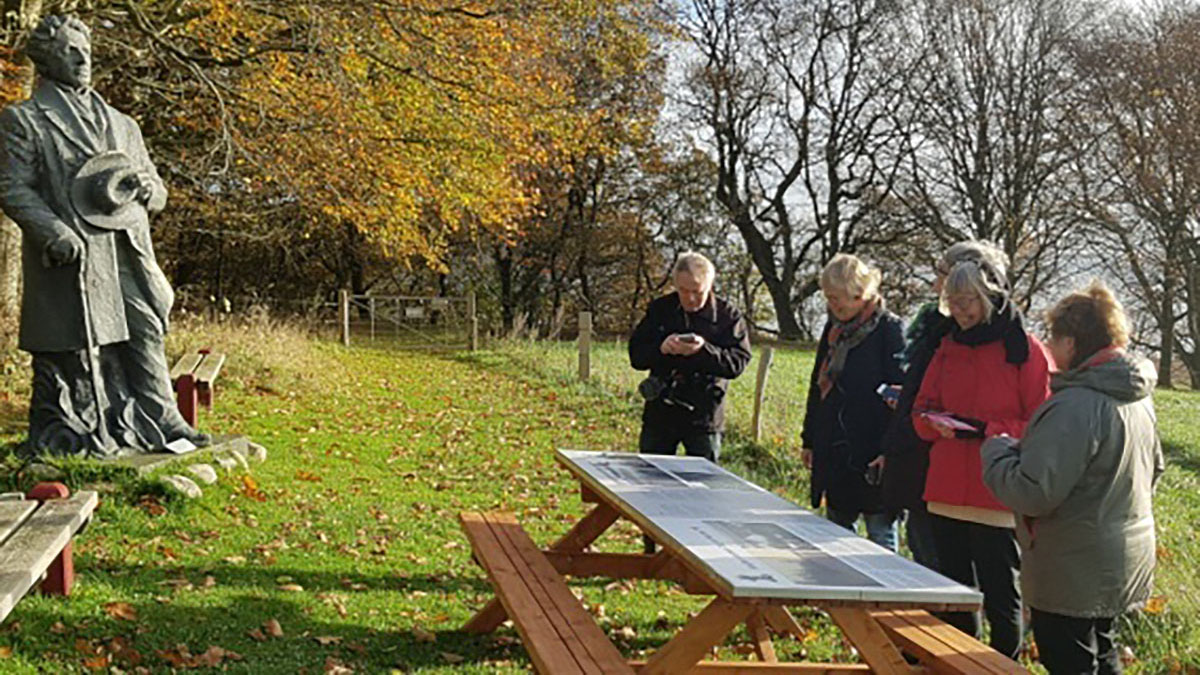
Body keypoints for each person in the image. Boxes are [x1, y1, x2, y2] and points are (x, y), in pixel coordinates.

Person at [0, 16, 209, 457]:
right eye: (70, 51)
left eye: (86, 51)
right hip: (75, 251)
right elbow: (13, 188)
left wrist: (151, 190)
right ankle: (80, 429)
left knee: (145, 326)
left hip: (127, 248)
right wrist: (52, 230)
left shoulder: (122, 123)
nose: (83, 59)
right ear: (46, 60)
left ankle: (164, 418)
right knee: (80, 344)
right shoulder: (25, 119)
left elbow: (158, 189)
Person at [982, 282, 1163, 674]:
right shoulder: (1137, 397)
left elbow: (1033, 492)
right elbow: (1155, 470)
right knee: (1104, 651)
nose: (1048, 347)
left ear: (1070, 342)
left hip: (1072, 564)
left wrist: (996, 452)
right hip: (1123, 553)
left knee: (1069, 660)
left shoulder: (1074, 406)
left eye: (1052, 338)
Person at [911, 256, 1052, 660]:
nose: (959, 311)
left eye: (967, 301)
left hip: (997, 493)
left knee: (1001, 596)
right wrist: (932, 423)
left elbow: (1041, 424)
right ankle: (959, 665)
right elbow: (920, 410)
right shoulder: (946, 345)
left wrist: (985, 428)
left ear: (988, 296)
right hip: (946, 489)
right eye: (952, 302)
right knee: (954, 596)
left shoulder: (1026, 349)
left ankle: (1004, 666)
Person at [880, 240, 1011, 571]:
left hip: (947, 471)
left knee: (945, 567)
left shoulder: (962, 336)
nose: (935, 283)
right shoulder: (936, 327)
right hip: (922, 458)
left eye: (941, 273)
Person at [629, 252, 751, 552]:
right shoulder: (660, 310)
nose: (691, 298)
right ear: (675, 285)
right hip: (661, 411)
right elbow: (636, 355)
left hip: (703, 415)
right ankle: (651, 552)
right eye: (684, 291)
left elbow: (737, 363)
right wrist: (662, 347)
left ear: (710, 286)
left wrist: (704, 350)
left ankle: (701, 552)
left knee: (704, 491)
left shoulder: (728, 316)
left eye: (697, 291)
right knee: (650, 487)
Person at [801, 254, 904, 551]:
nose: (832, 305)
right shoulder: (833, 330)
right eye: (828, 298)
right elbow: (817, 386)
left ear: (859, 294)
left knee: (881, 539)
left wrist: (890, 451)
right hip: (836, 449)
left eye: (837, 298)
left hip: (873, 451)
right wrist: (810, 439)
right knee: (835, 539)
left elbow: (902, 397)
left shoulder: (889, 330)